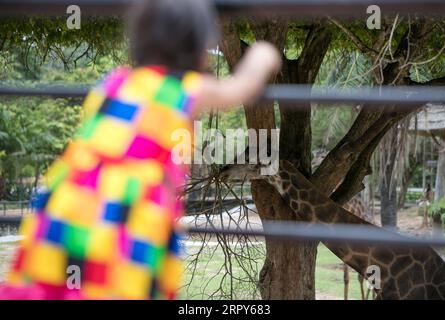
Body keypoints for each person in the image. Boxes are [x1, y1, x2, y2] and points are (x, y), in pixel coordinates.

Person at [0, 0, 281, 300]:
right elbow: (238, 89)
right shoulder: (185, 88)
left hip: (69, 202)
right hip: (127, 212)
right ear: (200, 52)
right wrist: (264, 54)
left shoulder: (115, 82)